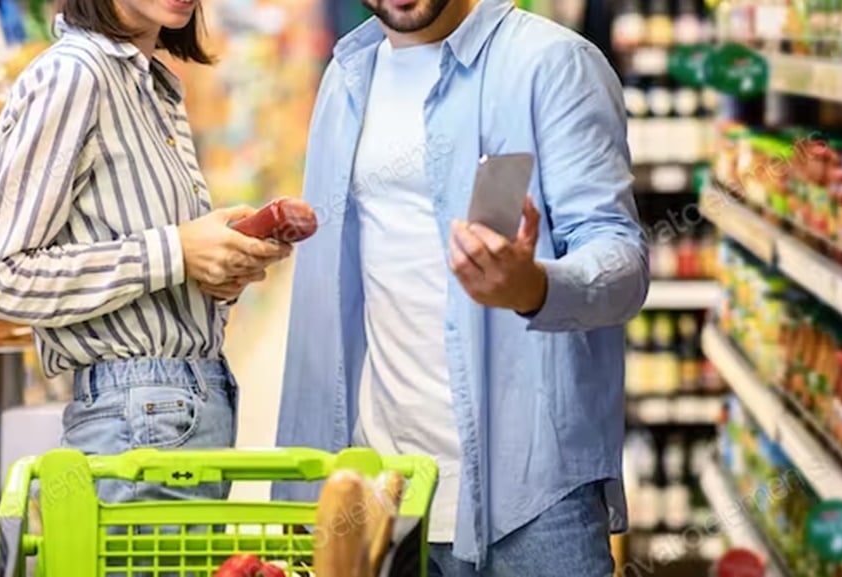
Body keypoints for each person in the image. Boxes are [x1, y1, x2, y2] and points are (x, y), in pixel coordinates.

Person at [274, 0, 649, 575]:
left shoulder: (551, 63)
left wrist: (537, 286)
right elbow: (330, 304)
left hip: (531, 501)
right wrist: (306, 490)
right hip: (386, 493)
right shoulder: (347, 76)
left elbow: (622, 259)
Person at [0, 0, 289, 506]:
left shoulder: (151, 86)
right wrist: (175, 251)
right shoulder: (74, 76)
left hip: (185, 403)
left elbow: (142, 257)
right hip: (138, 418)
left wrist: (215, 269)